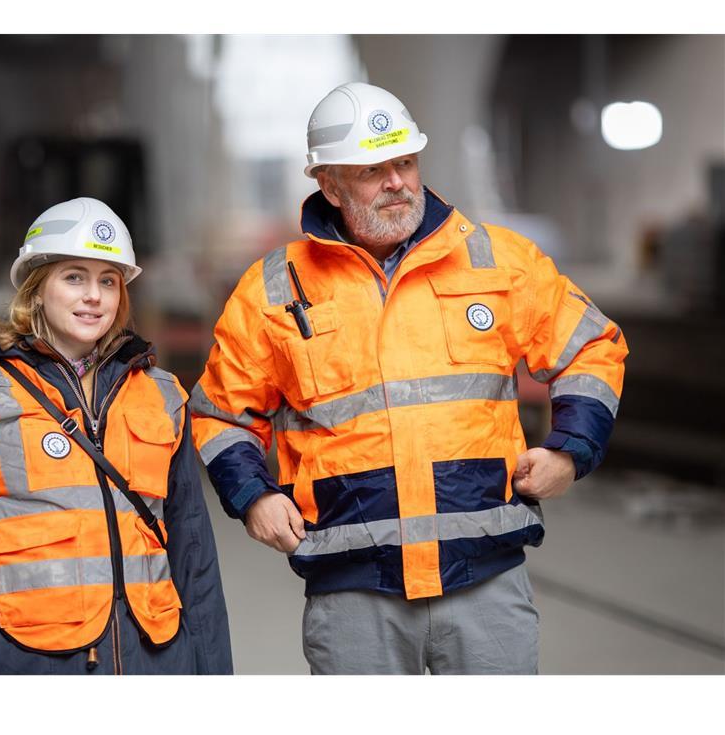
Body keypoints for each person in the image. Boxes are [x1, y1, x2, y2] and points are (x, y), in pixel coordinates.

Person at [190, 81, 629, 674]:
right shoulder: (273, 290)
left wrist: (570, 451)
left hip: (486, 581)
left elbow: (591, 348)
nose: (397, 181)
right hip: (352, 589)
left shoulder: (498, 261)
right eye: (374, 169)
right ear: (329, 183)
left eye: (405, 161)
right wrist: (254, 496)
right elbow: (221, 413)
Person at [0, 197, 232, 674]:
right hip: (26, 668)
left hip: (156, 663)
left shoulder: (163, 396)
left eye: (108, 280)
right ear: (37, 290)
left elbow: (195, 557)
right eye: (74, 277)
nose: (94, 296)